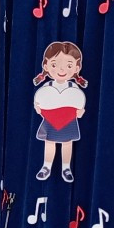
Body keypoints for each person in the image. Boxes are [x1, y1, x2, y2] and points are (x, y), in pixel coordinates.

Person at [32, 41, 88, 183]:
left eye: (68, 65)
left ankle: (66, 167)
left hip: (68, 120)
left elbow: (78, 103)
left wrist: (79, 111)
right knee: (49, 142)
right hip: (50, 119)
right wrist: (38, 108)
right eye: (55, 65)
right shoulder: (47, 87)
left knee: (67, 143)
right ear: (46, 66)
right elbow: (40, 101)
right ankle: (46, 166)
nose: (61, 70)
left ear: (76, 67)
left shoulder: (73, 88)